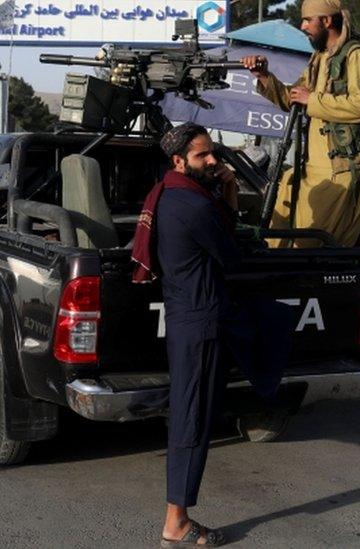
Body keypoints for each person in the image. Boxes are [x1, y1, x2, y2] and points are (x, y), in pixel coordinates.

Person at [130, 123, 240, 547]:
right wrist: (228, 198)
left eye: (212, 153)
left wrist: (223, 194)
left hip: (186, 318)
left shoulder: (172, 196)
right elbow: (230, 252)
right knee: (191, 419)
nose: (212, 161)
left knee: (189, 413)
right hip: (200, 323)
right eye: (202, 156)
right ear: (179, 162)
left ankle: (178, 514)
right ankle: (176, 521)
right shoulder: (194, 206)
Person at [241, 0, 360, 248]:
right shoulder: (320, 58)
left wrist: (312, 99)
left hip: (341, 170)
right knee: (279, 237)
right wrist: (264, 75)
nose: (302, 26)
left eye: (308, 20)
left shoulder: (355, 55)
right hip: (313, 167)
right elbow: (293, 99)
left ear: (327, 21)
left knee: (310, 246)